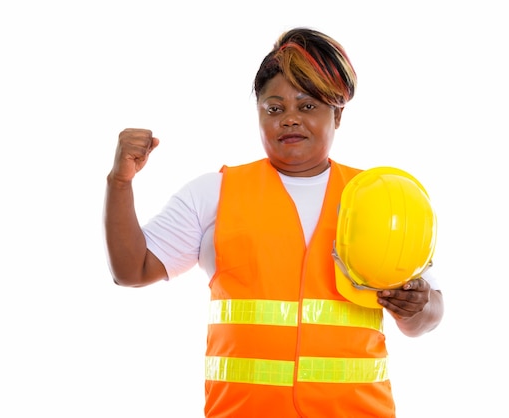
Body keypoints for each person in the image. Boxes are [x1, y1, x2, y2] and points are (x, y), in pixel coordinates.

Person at [104, 27, 444, 418]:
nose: (290, 120)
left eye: (308, 106)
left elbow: (428, 317)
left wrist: (414, 306)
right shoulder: (214, 191)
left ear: (338, 113)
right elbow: (131, 271)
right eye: (274, 108)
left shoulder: (380, 196)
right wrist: (120, 182)